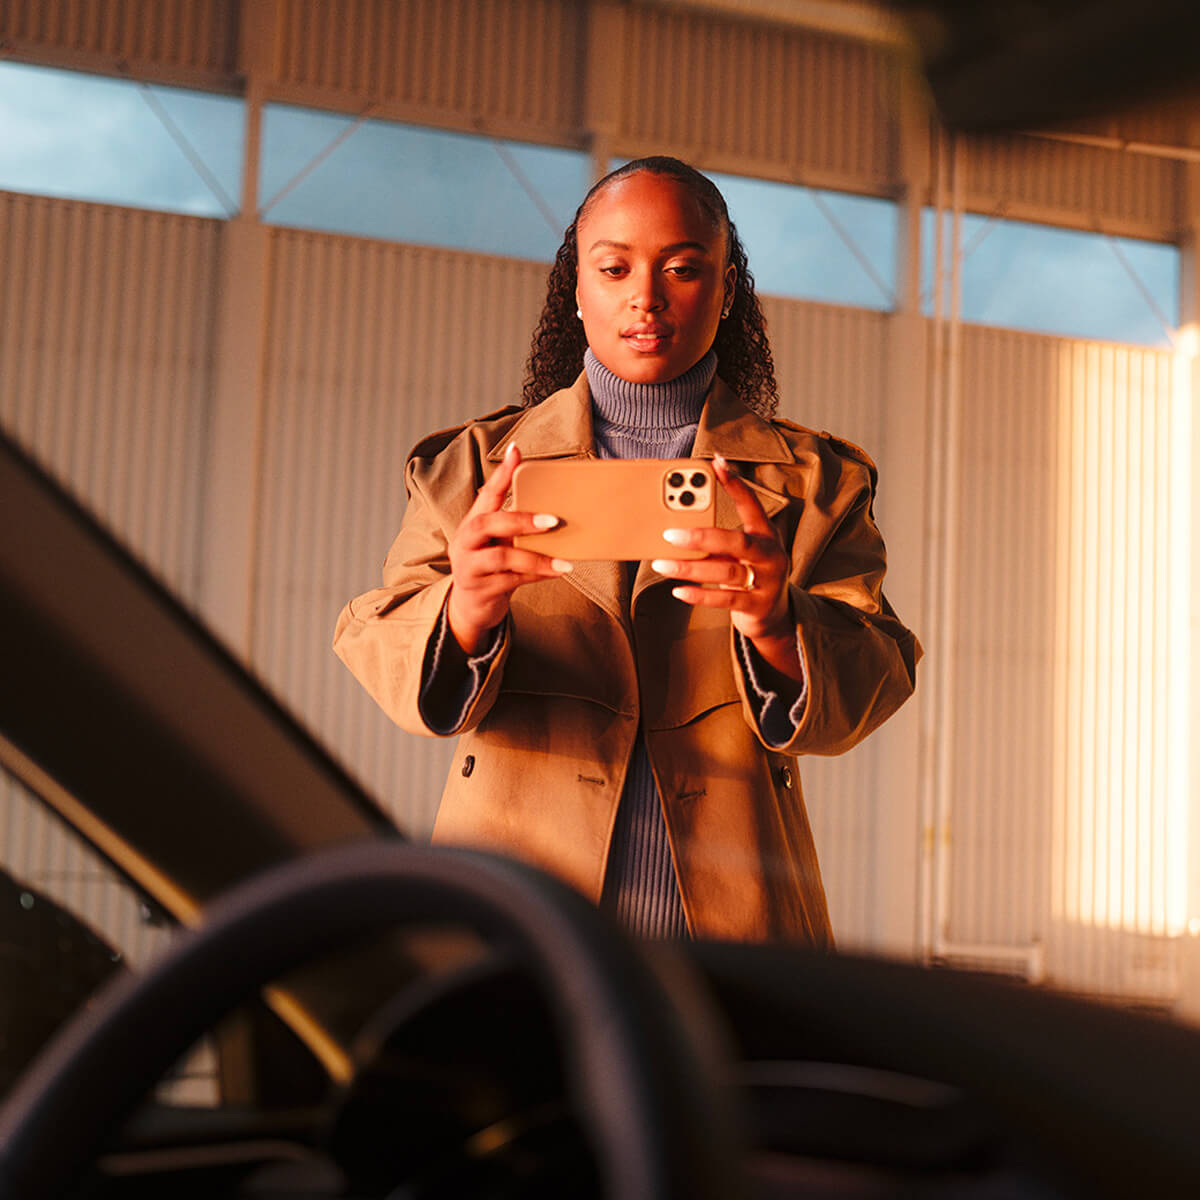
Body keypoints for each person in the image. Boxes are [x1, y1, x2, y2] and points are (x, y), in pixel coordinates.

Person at [334, 156, 921, 944]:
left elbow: (880, 668)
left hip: (739, 926)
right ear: (577, 290)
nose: (646, 297)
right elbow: (380, 634)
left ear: (725, 291)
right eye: (614, 268)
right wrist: (464, 611)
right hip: (519, 922)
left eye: (683, 268)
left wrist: (780, 626)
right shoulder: (469, 470)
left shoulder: (819, 483)